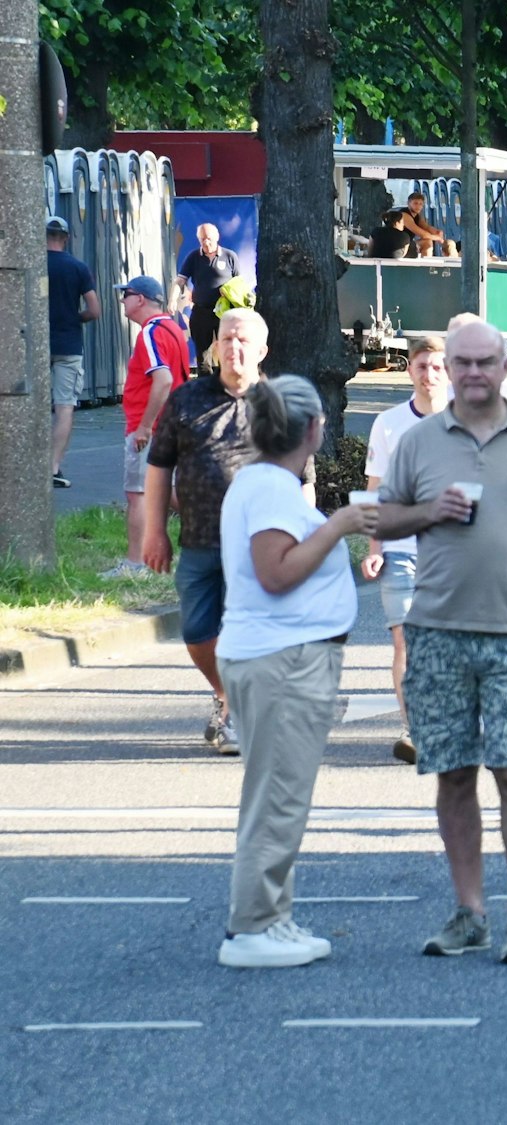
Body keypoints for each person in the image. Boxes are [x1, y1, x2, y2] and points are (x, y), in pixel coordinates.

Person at [375, 319, 507, 965]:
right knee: (453, 773)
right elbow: (381, 516)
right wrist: (426, 512)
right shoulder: (418, 441)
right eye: (460, 362)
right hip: (437, 629)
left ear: (505, 366)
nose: (472, 373)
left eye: (484, 362)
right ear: (447, 367)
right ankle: (470, 912)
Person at [212, 375, 366, 969]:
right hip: (283, 660)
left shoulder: (260, 482)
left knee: (276, 794)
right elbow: (276, 572)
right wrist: (339, 526)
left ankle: (270, 917)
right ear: (311, 430)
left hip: (274, 655)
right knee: (278, 798)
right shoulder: (274, 490)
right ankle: (253, 926)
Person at [144, 308, 279, 754]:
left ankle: (234, 713)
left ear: (261, 350)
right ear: (215, 345)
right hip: (200, 538)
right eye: (226, 339)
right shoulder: (186, 399)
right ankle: (227, 695)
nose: (233, 348)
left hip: (259, 546)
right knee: (198, 631)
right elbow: (159, 467)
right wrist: (153, 532)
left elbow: (303, 480)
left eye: (243, 341)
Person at [363, 335, 451, 764]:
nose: (429, 375)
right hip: (401, 547)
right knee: (406, 642)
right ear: (409, 370)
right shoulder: (389, 424)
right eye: (422, 366)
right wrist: (373, 545)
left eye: (437, 367)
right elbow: (375, 490)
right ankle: (413, 728)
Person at [104, 277, 190, 578]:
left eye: (125, 295)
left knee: (137, 494)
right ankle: (220, 530)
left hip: (152, 428)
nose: (122, 302)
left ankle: (135, 564)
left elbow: (163, 379)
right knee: (170, 491)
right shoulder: (173, 328)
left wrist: (143, 428)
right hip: (173, 424)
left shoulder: (150, 333)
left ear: (140, 299)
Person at [46, 217, 99, 489]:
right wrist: (74, 318)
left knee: (29, 403)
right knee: (64, 406)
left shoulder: (36, 264)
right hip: (68, 345)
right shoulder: (78, 268)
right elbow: (94, 310)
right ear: (65, 237)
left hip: (34, 344)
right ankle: (53, 467)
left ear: (43, 236)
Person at [177, 223, 240, 371]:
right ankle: (204, 387)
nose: (206, 242)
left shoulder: (230, 256)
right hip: (201, 311)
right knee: (203, 354)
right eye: (202, 239)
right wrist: (173, 299)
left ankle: (225, 384)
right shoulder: (193, 257)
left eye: (209, 238)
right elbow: (180, 279)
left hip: (224, 312)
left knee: (227, 349)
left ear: (217, 237)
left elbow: (239, 284)